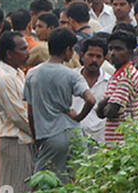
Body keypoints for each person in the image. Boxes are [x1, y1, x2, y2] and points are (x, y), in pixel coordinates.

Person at [25, 28, 95, 181]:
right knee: (74, 181)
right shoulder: (72, 74)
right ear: (67, 50)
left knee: (40, 182)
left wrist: (36, 138)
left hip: (50, 134)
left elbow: (30, 112)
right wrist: (78, 117)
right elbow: (91, 100)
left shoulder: (32, 74)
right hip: (74, 133)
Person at [0, 31, 33, 193]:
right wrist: (38, 133)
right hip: (14, 141)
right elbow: (18, 115)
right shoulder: (4, 78)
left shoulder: (17, 73)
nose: (27, 52)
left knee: (19, 191)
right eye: (22, 49)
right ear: (9, 54)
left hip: (22, 141)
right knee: (11, 192)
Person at [98, 31, 138, 146]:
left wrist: (108, 102)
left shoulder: (128, 75)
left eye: (118, 49)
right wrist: (109, 102)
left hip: (127, 142)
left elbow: (110, 111)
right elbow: (100, 112)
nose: (113, 53)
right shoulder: (117, 75)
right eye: (110, 49)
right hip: (117, 143)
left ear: (130, 52)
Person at [76, 36, 112, 149]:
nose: (94, 60)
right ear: (82, 55)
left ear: (104, 58)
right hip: (74, 138)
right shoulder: (71, 79)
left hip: (100, 141)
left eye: (98, 56)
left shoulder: (111, 82)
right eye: (90, 55)